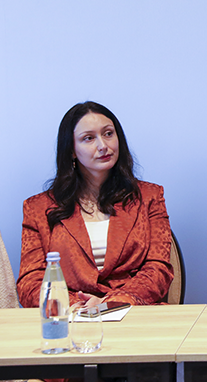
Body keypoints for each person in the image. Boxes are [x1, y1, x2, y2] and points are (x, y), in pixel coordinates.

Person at [17, 101, 174, 308]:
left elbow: (158, 269)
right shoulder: (37, 208)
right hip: (71, 315)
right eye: (88, 138)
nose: (103, 146)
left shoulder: (149, 196)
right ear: (72, 150)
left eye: (108, 134)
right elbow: (29, 283)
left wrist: (110, 303)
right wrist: (77, 304)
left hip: (131, 311)